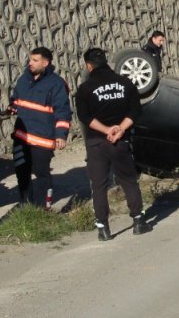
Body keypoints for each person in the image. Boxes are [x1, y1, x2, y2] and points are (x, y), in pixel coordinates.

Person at [75, 48, 151, 241]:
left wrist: (106, 130)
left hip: (96, 142)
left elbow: (85, 117)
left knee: (99, 185)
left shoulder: (85, 89)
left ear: (88, 65)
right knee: (128, 181)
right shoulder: (125, 83)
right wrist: (119, 129)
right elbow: (135, 111)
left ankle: (103, 228)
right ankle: (138, 221)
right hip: (120, 141)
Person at [9, 47, 72, 205]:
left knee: (41, 173)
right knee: (22, 173)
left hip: (43, 139)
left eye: (35, 60)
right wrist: (12, 107)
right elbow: (16, 99)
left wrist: (60, 135)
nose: (30, 63)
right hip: (21, 137)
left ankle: (46, 206)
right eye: (30, 60)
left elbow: (63, 111)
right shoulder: (23, 79)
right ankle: (26, 206)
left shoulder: (57, 84)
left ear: (45, 63)